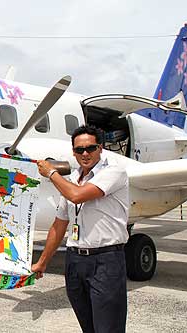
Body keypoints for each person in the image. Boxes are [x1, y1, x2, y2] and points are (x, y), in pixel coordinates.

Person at [31, 125, 129, 333]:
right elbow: (59, 224)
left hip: (106, 261)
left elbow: (77, 196)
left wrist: (51, 173)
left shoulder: (113, 171)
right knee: (88, 326)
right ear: (73, 152)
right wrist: (42, 262)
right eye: (79, 150)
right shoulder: (73, 179)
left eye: (90, 148)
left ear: (100, 149)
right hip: (75, 261)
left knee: (108, 328)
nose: (85, 154)